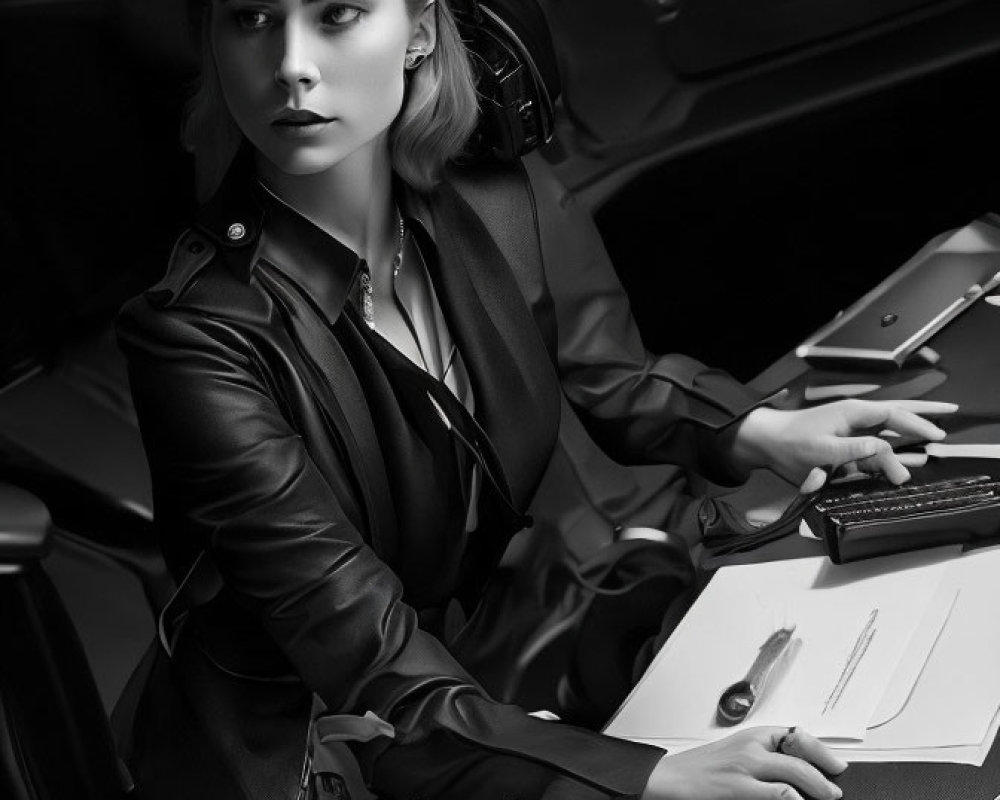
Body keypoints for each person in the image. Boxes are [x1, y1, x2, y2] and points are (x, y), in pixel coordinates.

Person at [113, 1, 958, 798]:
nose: (291, 66)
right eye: (252, 19)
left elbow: (610, 373)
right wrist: (648, 779)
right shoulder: (191, 339)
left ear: (417, 29)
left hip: (458, 678)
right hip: (296, 749)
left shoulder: (494, 194)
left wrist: (762, 429)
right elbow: (363, 650)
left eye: (337, 14)